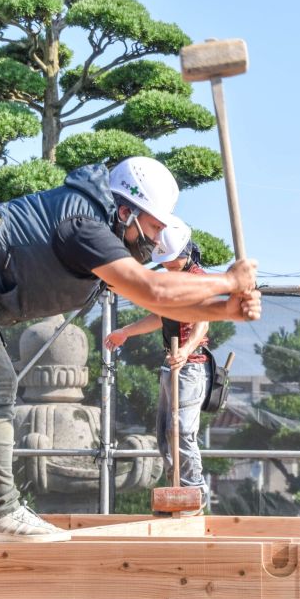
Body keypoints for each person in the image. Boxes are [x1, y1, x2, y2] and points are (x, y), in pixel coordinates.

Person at [0, 156, 260, 543]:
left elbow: (160, 305)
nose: (157, 240)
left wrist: (225, 309)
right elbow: (153, 289)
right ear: (126, 212)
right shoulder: (84, 226)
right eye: (155, 227)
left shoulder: (100, 228)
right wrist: (226, 280)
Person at [104, 218, 211, 514]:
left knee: (181, 431)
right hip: (172, 364)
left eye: (172, 260)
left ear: (187, 253)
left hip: (190, 366)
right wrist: (126, 331)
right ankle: (176, 490)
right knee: (165, 432)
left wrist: (187, 349)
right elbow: (159, 318)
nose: (168, 266)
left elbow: (204, 321)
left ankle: (193, 492)